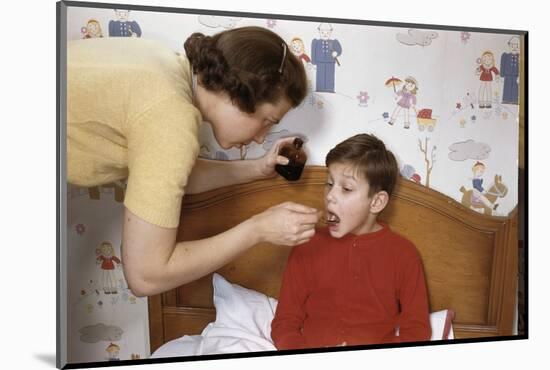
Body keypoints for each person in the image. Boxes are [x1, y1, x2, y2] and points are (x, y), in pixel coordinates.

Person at [67, 26, 318, 297]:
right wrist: (258, 229)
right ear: (239, 92)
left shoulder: (164, 64)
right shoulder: (171, 117)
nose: (260, 139)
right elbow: (146, 275)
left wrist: (258, 168)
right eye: (267, 122)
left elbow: (172, 174)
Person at [271, 133, 431, 349]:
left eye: (346, 188)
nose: (330, 196)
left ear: (376, 202)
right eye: (329, 184)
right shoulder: (307, 244)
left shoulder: (404, 255)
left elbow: (417, 330)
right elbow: (285, 323)